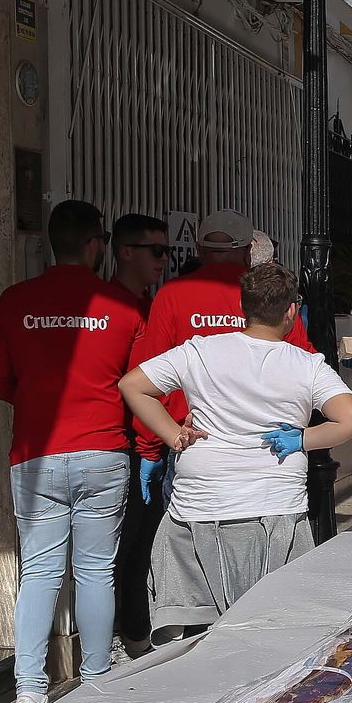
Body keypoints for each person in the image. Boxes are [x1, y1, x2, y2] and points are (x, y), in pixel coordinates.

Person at [122, 263, 352, 643]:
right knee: (271, 628)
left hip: (201, 506)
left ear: (242, 306)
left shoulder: (199, 351)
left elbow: (133, 385)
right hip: (275, 507)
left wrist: (173, 435)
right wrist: (301, 439)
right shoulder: (307, 365)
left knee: (199, 634)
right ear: (290, 311)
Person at [0, 200, 145, 703]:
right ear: (96, 245)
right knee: (96, 572)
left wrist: (37, 401)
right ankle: (95, 682)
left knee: (39, 572)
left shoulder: (15, 301)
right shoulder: (122, 306)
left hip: (37, 453)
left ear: (51, 243)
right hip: (103, 450)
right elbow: (141, 386)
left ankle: (29, 693)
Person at [132, 210, 315, 505]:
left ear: (200, 250)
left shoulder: (173, 294)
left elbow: (149, 376)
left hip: (194, 443)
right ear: (247, 251)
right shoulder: (266, 296)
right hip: (268, 444)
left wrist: (150, 446)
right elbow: (304, 365)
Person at [107, 213, 168, 659]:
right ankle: (127, 633)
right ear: (125, 251)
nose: (164, 260)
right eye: (157, 251)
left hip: (156, 442)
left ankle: (138, 631)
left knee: (148, 543)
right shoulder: (109, 307)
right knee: (125, 549)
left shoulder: (157, 307)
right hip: (125, 445)